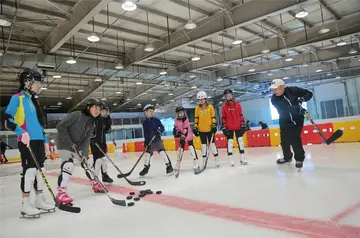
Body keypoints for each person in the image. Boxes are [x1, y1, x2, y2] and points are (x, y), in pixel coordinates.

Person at [3, 68, 55, 217]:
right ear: (27, 82)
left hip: (38, 141)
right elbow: (7, 120)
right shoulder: (17, 98)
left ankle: (39, 199)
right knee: (30, 171)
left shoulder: (34, 101)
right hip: (26, 141)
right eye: (37, 82)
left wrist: (44, 140)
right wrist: (21, 132)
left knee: (40, 171)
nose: (39, 86)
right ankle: (26, 204)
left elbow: (39, 124)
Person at [55, 98, 101, 205]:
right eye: (96, 108)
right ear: (88, 107)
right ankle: (61, 192)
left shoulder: (91, 123)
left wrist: (84, 153)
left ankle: (95, 182)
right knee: (68, 165)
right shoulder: (76, 115)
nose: (97, 111)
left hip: (77, 145)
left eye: (99, 109)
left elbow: (86, 139)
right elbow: (60, 127)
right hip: (64, 142)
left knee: (87, 162)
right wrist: (70, 142)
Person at [270, 79, 313, 169]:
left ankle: (299, 158)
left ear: (282, 87)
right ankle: (287, 157)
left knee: (295, 138)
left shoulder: (293, 90)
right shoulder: (274, 99)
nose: (274, 91)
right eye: (273, 89)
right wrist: (299, 109)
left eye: (275, 89)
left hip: (297, 120)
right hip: (285, 120)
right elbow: (286, 108)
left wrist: (302, 99)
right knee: (284, 141)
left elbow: (309, 93)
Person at [139, 104, 173, 176]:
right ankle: (146, 168)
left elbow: (162, 128)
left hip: (157, 140)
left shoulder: (156, 120)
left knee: (162, 153)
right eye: (150, 111)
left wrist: (159, 131)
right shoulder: (145, 123)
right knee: (147, 155)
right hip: (150, 142)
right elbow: (145, 133)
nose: (152, 112)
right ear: (146, 112)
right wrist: (146, 142)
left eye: (152, 111)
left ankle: (169, 166)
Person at [193, 91, 220, 167]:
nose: (201, 101)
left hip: (210, 129)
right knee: (204, 146)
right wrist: (195, 127)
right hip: (201, 130)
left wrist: (214, 125)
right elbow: (196, 118)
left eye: (202, 99)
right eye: (199, 99)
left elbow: (213, 117)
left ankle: (217, 160)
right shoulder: (197, 108)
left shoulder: (210, 107)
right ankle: (204, 162)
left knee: (212, 145)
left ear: (205, 99)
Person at [221, 89, 248, 166]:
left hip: (238, 126)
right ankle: (230, 158)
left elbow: (241, 115)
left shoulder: (237, 105)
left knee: (240, 141)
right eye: (227, 96)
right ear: (225, 97)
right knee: (230, 143)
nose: (228, 97)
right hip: (229, 128)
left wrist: (242, 124)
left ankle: (242, 158)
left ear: (232, 95)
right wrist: (224, 127)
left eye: (229, 95)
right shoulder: (224, 107)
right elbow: (223, 118)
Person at [90, 102, 113, 183]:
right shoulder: (94, 119)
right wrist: (92, 138)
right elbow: (89, 131)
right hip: (95, 143)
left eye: (106, 112)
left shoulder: (104, 120)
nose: (105, 113)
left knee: (104, 159)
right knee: (98, 160)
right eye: (103, 111)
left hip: (102, 142)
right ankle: (94, 178)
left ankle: (105, 175)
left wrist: (108, 120)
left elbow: (107, 130)